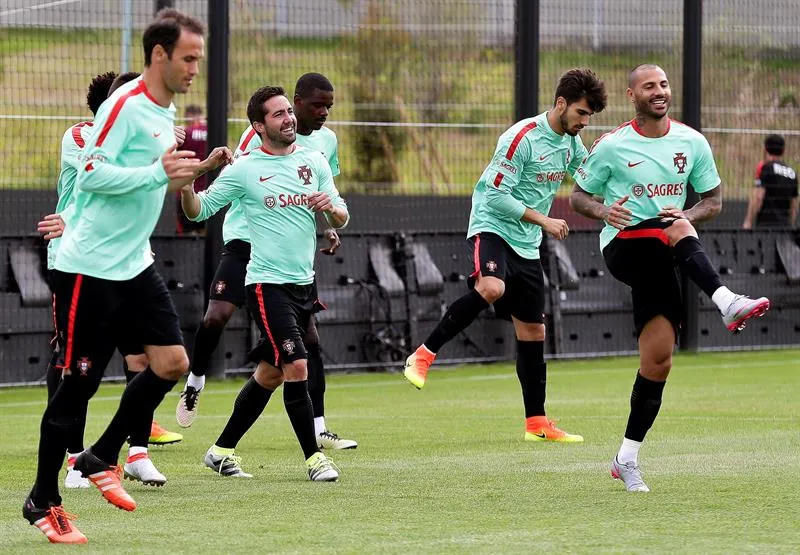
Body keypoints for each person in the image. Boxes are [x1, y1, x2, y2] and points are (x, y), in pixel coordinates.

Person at [24, 9, 231, 544]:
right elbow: (91, 171)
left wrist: (190, 171)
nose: (194, 69)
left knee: (171, 363)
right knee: (78, 387)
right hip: (88, 266)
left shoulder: (166, 114)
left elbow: (153, 182)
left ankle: (102, 455)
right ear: (159, 55)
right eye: (188, 58)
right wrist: (155, 172)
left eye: (198, 60)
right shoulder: (125, 103)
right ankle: (43, 499)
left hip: (133, 264)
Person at [569, 64, 770, 493]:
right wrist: (605, 211)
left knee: (658, 361)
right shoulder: (611, 145)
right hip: (623, 244)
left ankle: (626, 457)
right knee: (675, 228)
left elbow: (712, 201)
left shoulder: (691, 141)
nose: (659, 92)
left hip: (663, 252)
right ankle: (726, 300)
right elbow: (579, 197)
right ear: (632, 96)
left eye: (663, 85)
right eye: (649, 87)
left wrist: (689, 212)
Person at [403, 68, 608, 443]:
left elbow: (591, 180)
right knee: (492, 287)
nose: (584, 122)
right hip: (492, 225)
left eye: (589, 117)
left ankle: (537, 424)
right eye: (580, 113)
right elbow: (495, 196)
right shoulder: (521, 138)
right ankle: (422, 355)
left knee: (533, 332)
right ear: (561, 103)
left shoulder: (573, 144)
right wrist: (545, 220)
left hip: (527, 243)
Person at [176, 73, 356, 451]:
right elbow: (216, 199)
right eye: (315, 106)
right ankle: (196, 380)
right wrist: (192, 177)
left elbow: (329, 203)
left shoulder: (321, 149)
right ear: (262, 124)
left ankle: (226, 449)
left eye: (329, 106)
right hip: (248, 243)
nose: (321, 113)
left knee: (281, 365)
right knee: (220, 319)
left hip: (296, 263)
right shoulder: (251, 152)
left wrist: (330, 223)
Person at [38, 70, 184, 494]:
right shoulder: (81, 135)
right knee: (73, 366)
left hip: (130, 260)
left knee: (150, 360)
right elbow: (99, 178)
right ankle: (71, 459)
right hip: (78, 256)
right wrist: (158, 155)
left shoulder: (152, 127)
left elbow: (154, 180)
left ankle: (133, 454)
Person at [742, 134, 798, 229]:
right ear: (783, 151)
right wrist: (790, 224)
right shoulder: (792, 173)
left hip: (766, 226)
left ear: (765, 149)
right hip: (785, 228)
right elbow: (794, 204)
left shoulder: (766, 168)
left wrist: (748, 221)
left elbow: (758, 197)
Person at [176, 104, 209, 234]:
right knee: (207, 232)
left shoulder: (186, 133)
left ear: (188, 116)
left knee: (187, 234)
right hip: (209, 191)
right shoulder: (212, 130)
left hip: (187, 191)